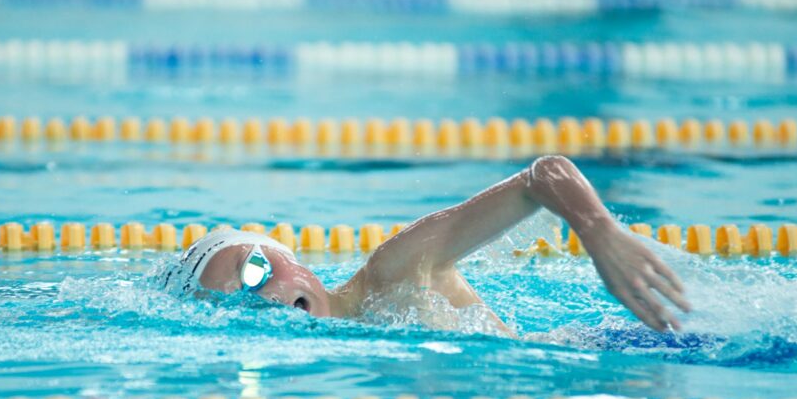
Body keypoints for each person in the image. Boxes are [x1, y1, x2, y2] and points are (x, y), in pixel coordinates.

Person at [163, 155, 691, 334]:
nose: (264, 299)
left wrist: (599, 232)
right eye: (238, 303)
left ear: (290, 260)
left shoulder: (390, 274)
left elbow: (542, 177)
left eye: (255, 272)